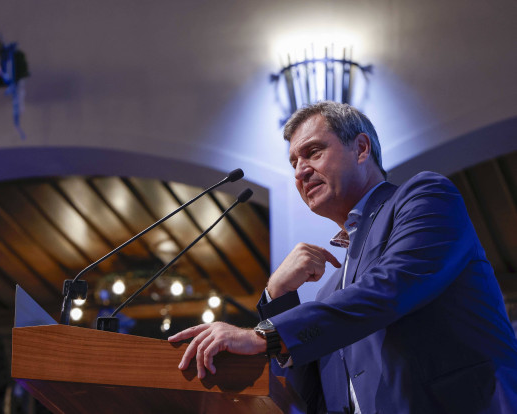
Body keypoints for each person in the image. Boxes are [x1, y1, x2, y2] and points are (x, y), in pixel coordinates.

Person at [168, 101, 517, 413]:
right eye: (294, 162)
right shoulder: (330, 291)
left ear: (361, 148)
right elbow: (307, 396)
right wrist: (278, 296)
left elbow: (391, 288)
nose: (300, 171)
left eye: (313, 152)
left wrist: (262, 335)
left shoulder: (425, 198)